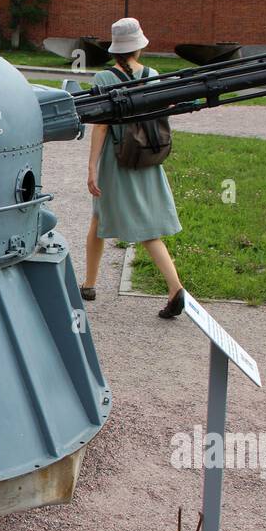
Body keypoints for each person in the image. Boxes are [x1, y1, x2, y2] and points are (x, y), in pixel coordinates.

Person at [80, 17, 185, 319]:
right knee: (123, 223)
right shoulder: (153, 75)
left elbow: (100, 127)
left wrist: (91, 168)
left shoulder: (103, 79)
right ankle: (91, 284)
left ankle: (173, 288)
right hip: (147, 158)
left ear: (115, 50)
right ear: (138, 47)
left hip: (118, 159)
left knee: (113, 221)